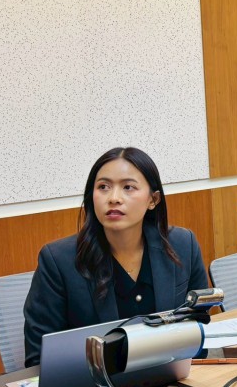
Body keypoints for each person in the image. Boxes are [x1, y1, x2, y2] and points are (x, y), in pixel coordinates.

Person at [22, 147, 209, 367]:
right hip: (93, 383)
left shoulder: (182, 244)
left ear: (153, 199)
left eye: (128, 187)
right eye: (103, 187)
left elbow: (199, 328)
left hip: (172, 377)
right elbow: (39, 357)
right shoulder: (58, 261)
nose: (114, 198)